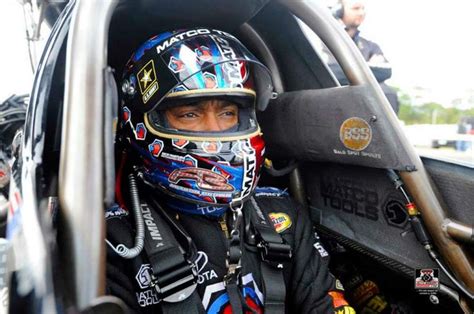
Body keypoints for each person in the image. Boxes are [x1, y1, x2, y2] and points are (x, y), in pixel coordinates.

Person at [105, 28, 354, 313]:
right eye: (190, 114)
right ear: (142, 122)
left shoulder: (281, 214)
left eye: (227, 113)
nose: (215, 132)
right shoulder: (114, 238)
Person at [328, 0, 400, 114]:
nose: (361, 12)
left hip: (365, 96)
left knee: (386, 92)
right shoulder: (323, 41)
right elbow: (329, 72)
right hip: (335, 98)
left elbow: (386, 70)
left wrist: (346, 69)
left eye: (363, 8)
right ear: (338, 11)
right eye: (356, 8)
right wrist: (369, 66)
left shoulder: (370, 46)